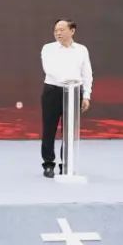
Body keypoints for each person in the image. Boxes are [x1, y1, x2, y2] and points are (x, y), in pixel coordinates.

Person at [40, 18, 93, 178]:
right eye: (56, 30)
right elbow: (49, 69)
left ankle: (66, 164)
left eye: (62, 30)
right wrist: (68, 81)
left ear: (72, 31)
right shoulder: (48, 48)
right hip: (53, 91)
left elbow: (87, 73)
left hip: (74, 92)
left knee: (69, 131)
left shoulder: (81, 50)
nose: (58, 33)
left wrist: (86, 95)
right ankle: (48, 164)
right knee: (49, 129)